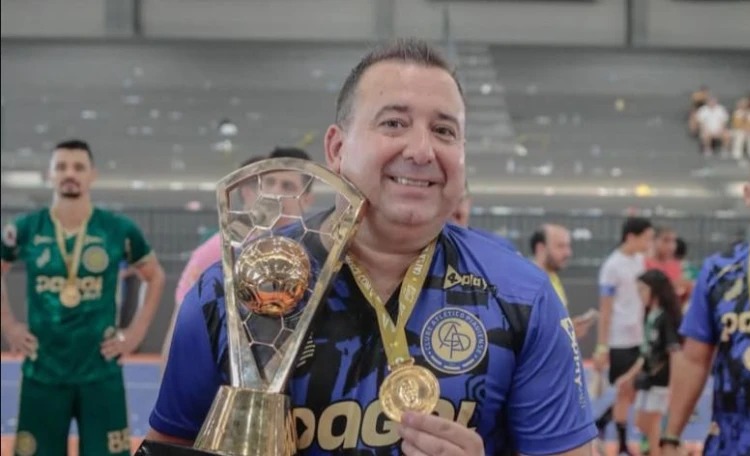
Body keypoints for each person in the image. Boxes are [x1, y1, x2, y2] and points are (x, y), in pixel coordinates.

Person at [145, 39, 597, 454]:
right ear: (337, 148)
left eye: (444, 131)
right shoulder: (232, 293)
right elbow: (168, 444)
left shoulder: (522, 297)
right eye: (394, 123)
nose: (422, 150)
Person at [0, 139, 165, 456]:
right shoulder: (25, 228)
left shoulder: (117, 229)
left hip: (100, 370)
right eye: (61, 167)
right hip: (43, 370)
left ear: (92, 175)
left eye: (78, 167)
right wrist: (8, 325)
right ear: (49, 174)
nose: (70, 174)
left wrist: (136, 333)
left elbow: (154, 276)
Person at [662, 148, 750, 456]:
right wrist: (670, 437)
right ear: (749, 194)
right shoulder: (719, 270)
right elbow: (694, 361)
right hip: (731, 446)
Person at [164, 148, 315, 364]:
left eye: (287, 186)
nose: (276, 192)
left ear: (307, 199)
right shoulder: (222, 247)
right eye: (269, 182)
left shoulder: (316, 254)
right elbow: (180, 325)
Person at [593, 216, 655, 455]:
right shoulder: (612, 266)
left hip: (638, 335)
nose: (649, 243)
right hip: (619, 338)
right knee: (624, 390)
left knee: (632, 391)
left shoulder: (639, 260)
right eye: (646, 238)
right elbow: (606, 308)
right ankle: (620, 442)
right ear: (631, 237)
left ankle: (603, 421)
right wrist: (602, 346)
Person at [615, 269, 682, 456]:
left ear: (656, 290)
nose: (640, 295)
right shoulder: (649, 315)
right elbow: (645, 354)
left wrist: (674, 387)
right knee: (642, 422)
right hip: (648, 379)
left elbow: (674, 353)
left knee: (652, 423)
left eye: (643, 290)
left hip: (662, 380)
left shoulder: (665, 318)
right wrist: (629, 376)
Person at [530, 224, 596, 339]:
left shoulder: (553, 277)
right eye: (560, 246)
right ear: (540, 248)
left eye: (568, 246)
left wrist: (570, 329)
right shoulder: (529, 283)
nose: (568, 253)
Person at [449, 180, 517, 252]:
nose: (449, 210)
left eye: (458, 200)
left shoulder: (499, 247)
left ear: (469, 202)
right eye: (443, 203)